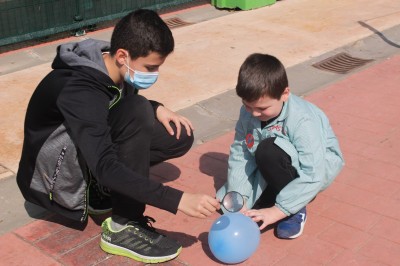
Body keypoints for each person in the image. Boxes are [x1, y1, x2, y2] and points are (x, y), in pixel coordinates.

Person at [16, 9, 220, 263]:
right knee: (137, 111)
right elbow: (105, 162)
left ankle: (103, 191)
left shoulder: (113, 63)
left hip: (83, 151)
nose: (154, 74)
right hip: (54, 180)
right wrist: (176, 199)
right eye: (150, 67)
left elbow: (114, 107)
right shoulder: (80, 88)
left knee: (176, 135)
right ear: (123, 55)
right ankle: (123, 226)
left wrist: (157, 108)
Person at [216, 53, 344, 239]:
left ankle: (295, 208)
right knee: (231, 206)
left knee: (268, 150)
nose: (254, 113)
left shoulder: (302, 120)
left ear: (284, 94)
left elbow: (313, 172)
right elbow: (240, 152)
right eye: (248, 106)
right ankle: (276, 193)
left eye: (262, 108)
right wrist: (239, 197)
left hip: (313, 170)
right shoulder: (249, 111)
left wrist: (278, 211)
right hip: (279, 162)